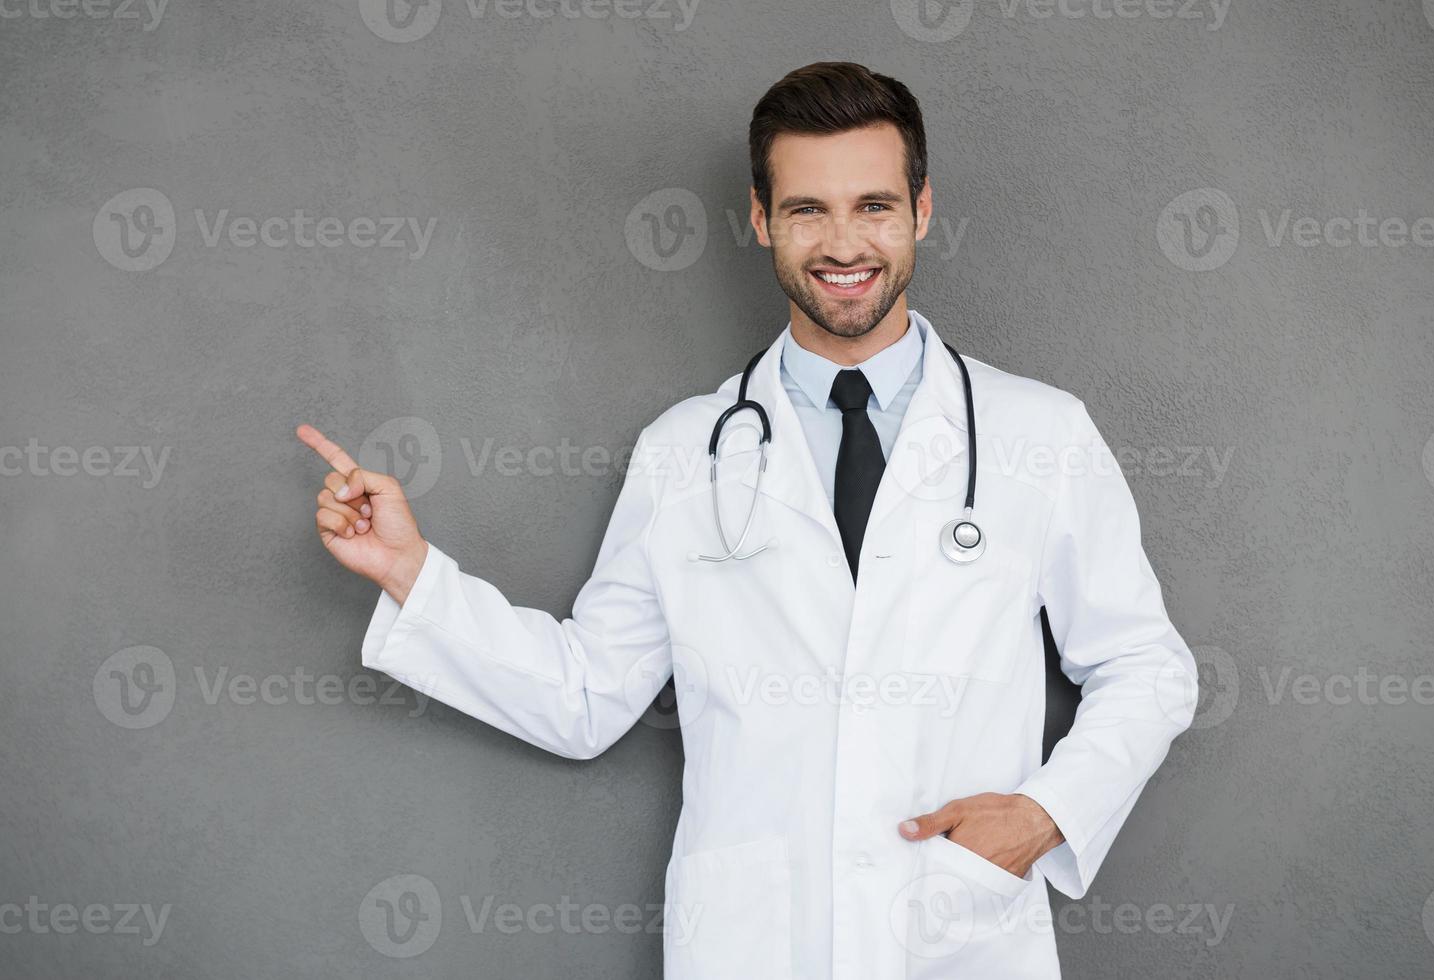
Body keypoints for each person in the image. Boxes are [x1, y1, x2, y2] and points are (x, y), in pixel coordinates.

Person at [297, 61, 1198, 980]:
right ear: (762, 219)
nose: (844, 243)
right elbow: (585, 696)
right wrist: (410, 572)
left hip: (959, 932)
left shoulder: (1037, 433)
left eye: (873, 206)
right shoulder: (684, 452)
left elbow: (1145, 666)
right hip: (755, 945)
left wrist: (1043, 817)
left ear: (921, 211)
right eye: (807, 209)